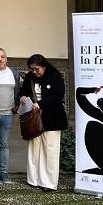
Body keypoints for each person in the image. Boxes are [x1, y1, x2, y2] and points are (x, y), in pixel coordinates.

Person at [19, 54, 67, 192]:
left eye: (37, 69)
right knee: (34, 148)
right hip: (34, 118)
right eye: (32, 69)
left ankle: (49, 183)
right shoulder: (30, 77)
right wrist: (22, 96)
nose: (34, 72)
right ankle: (33, 179)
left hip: (52, 118)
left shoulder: (55, 75)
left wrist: (40, 104)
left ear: (44, 66)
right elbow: (23, 90)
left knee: (50, 150)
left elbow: (58, 95)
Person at [0, 47, 20, 184]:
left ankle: (4, 172)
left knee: (4, 144)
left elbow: (17, 91)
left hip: (7, 114)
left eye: (3, 57)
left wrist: (17, 105)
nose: (0, 59)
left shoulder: (14, 73)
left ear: (6, 58)